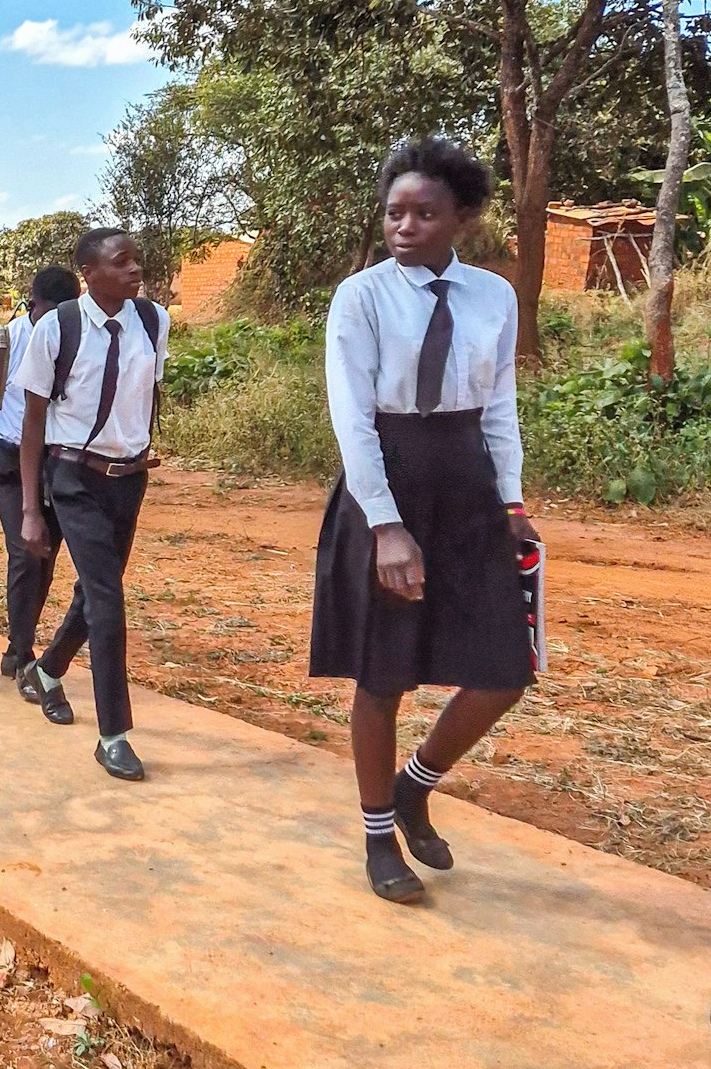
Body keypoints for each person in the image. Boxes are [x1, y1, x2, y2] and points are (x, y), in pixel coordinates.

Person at [311, 138, 537, 906]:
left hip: (467, 483)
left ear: (462, 217)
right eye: (393, 213)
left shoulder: (493, 296)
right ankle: (379, 835)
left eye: (424, 213)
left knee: (503, 670)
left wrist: (510, 501)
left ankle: (416, 785)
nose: (404, 227)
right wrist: (385, 525)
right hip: (388, 477)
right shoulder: (362, 297)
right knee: (383, 674)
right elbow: (352, 416)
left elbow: (499, 406)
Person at [11, 229, 168, 783]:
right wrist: (31, 509)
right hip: (74, 476)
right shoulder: (57, 328)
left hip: (129, 479)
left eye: (136, 260)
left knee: (98, 589)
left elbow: (144, 396)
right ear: (89, 273)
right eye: (121, 262)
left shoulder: (153, 321)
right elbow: (33, 422)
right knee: (107, 599)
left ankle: (46, 671)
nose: (134, 269)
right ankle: (113, 736)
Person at [0, 266, 81, 679]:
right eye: (49, 312)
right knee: (26, 548)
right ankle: (22, 652)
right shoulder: (2, 344)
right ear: (32, 304)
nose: (56, 322)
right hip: (9, 459)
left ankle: (20, 642)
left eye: (66, 313)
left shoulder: (77, 339)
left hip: (57, 460)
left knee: (46, 555)